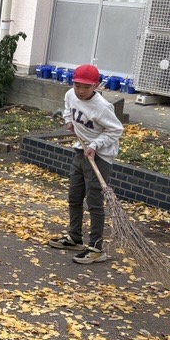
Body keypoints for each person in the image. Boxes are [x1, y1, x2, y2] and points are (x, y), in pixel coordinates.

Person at [48, 64, 124, 265]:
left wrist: (95, 145)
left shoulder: (102, 107)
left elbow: (116, 130)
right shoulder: (70, 95)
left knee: (94, 201)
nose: (81, 91)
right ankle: (74, 237)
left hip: (100, 157)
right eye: (77, 85)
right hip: (81, 151)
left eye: (86, 87)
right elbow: (68, 107)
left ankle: (96, 248)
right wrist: (68, 120)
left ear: (96, 86)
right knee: (74, 196)